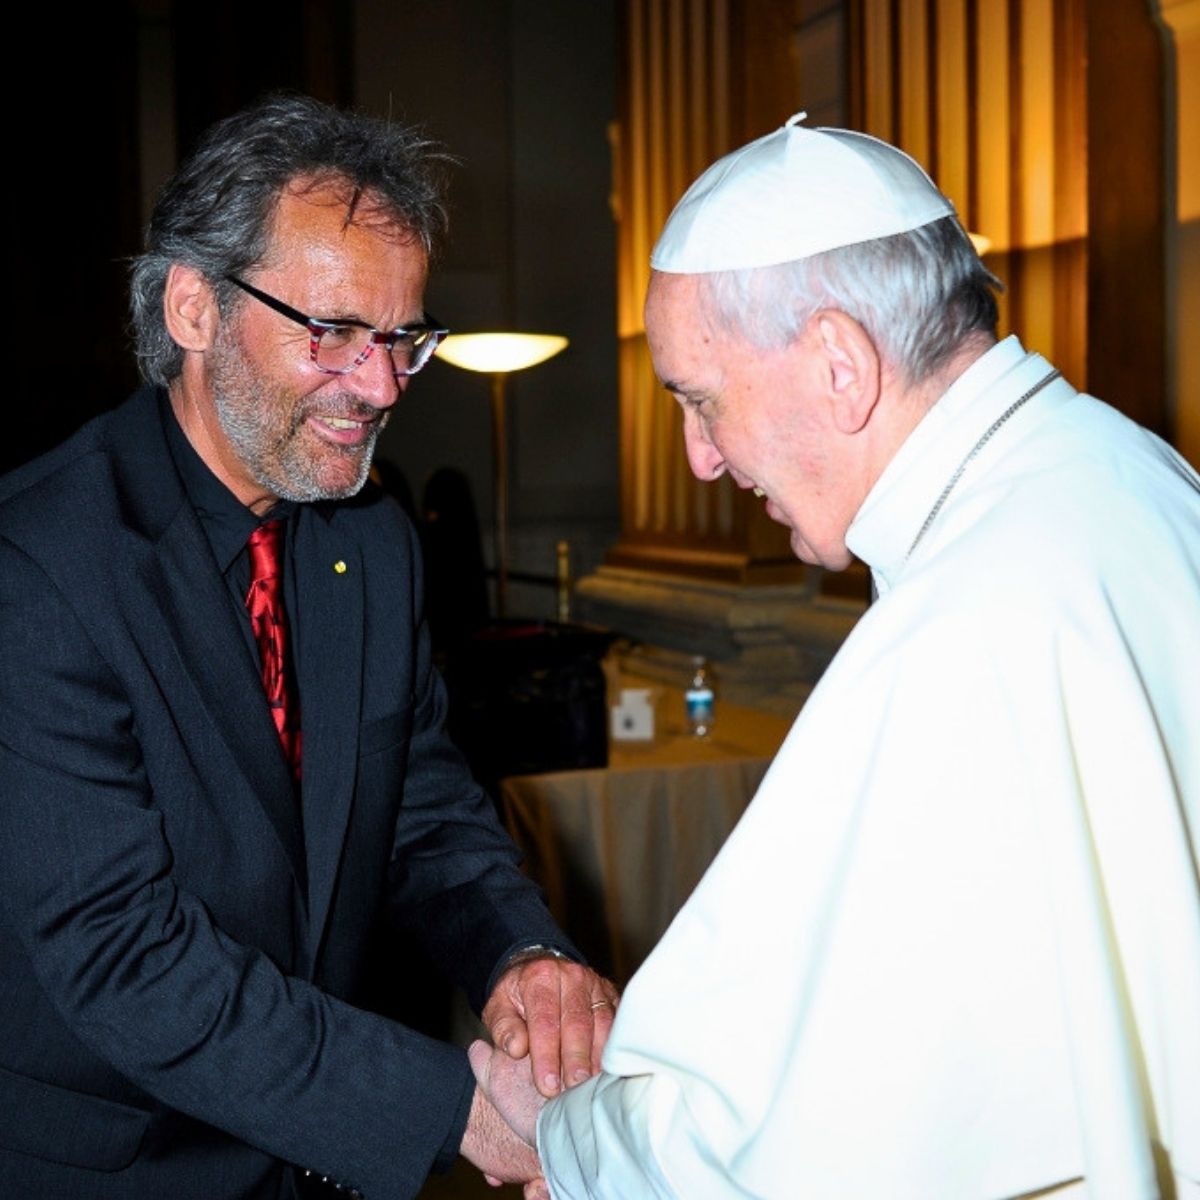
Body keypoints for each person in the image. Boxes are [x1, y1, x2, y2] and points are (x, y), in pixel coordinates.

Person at [471, 114, 1200, 1198]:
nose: (700, 459)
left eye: (702, 400)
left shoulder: (966, 621)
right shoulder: (1124, 471)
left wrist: (570, 1138)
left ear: (839, 365)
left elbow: (810, 1135)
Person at [0, 94, 617, 1200]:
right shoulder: (38, 564)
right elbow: (124, 954)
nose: (379, 388)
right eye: (331, 333)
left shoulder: (371, 539)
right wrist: (457, 1113)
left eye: (402, 339)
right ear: (194, 307)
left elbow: (424, 811)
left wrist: (520, 956)